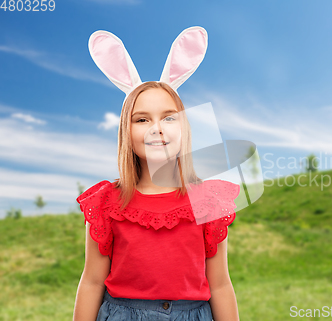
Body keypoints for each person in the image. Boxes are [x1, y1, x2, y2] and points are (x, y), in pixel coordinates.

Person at [73, 27, 241, 321]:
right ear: (127, 130)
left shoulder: (209, 201)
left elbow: (221, 284)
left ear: (184, 128)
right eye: (142, 119)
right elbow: (92, 281)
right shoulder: (107, 202)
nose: (156, 127)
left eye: (168, 117)